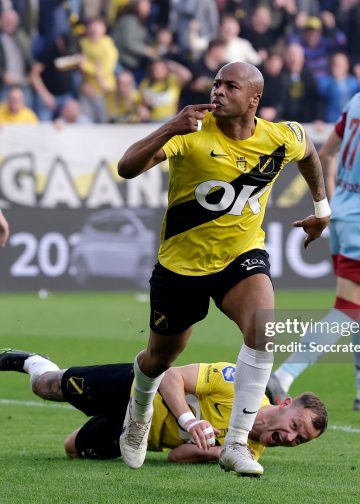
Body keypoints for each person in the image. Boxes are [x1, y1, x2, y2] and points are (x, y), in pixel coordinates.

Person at [116, 61, 331, 476]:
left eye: (230, 86)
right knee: (160, 358)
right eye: (215, 83)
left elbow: (309, 154)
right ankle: (138, 419)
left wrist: (321, 209)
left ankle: (236, 444)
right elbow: (127, 168)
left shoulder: (280, 135)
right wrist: (168, 127)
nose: (217, 91)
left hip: (240, 256)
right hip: (181, 267)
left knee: (264, 328)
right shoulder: (191, 133)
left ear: (254, 99)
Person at [0, 349, 328, 462]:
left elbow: (176, 455)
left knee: (72, 449)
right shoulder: (238, 384)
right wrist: (190, 421)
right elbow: (170, 375)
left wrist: (215, 452)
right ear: (284, 404)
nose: (289, 437)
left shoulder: (250, 453)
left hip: (139, 437)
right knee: (46, 387)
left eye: (299, 440)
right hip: (133, 391)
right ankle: (33, 361)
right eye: (295, 426)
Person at [267, 92, 360, 409]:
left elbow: (327, 153)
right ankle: (286, 373)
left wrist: (336, 206)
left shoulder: (356, 102)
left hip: (343, 215)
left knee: (356, 308)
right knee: (348, 308)